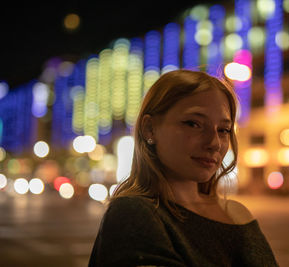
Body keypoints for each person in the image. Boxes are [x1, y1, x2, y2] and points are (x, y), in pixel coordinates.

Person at [88, 69, 278, 267]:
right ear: (149, 129)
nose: (214, 142)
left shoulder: (238, 214)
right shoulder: (134, 212)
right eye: (193, 124)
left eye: (223, 130)